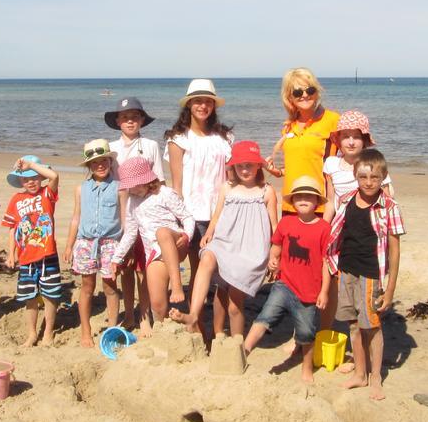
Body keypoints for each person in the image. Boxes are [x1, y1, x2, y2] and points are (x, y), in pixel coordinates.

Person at [171, 141, 277, 338]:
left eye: (249, 165)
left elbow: (275, 226)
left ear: (258, 166)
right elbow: (217, 215)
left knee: (235, 304)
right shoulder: (227, 188)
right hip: (225, 241)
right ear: (233, 167)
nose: (244, 170)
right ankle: (194, 315)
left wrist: (275, 252)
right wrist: (210, 232)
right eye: (240, 165)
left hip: (250, 249)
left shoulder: (266, 190)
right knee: (207, 258)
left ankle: (237, 343)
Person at [325, 149, 404, 400]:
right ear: (355, 176)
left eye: (374, 178)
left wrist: (390, 289)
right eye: (363, 177)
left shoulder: (389, 206)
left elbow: (394, 249)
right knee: (352, 323)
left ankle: (375, 376)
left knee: (371, 325)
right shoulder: (347, 199)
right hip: (347, 269)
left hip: (372, 272)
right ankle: (360, 373)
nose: (369, 183)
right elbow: (337, 234)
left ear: (384, 177)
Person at [243, 177, 330, 383]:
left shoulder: (324, 228)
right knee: (265, 317)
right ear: (293, 201)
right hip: (284, 285)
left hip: (310, 292)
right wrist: (273, 261)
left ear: (317, 202)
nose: (303, 199)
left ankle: (306, 368)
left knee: (307, 332)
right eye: (299, 196)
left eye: (308, 196)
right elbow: (277, 246)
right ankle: (243, 352)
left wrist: (324, 291)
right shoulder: (286, 222)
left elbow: (327, 262)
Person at [165, 79, 233, 286]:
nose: (203, 106)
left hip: (220, 211)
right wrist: (180, 216)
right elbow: (177, 183)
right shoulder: (178, 138)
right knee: (197, 265)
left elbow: (231, 178)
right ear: (189, 104)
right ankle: (197, 309)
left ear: (213, 106)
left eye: (208, 102)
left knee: (220, 263)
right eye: (198, 101)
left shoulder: (225, 137)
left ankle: (210, 300)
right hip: (192, 212)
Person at [111, 157, 194, 323]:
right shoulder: (131, 202)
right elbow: (130, 233)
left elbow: (187, 217)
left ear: (146, 180)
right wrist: (116, 258)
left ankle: (177, 287)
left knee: (162, 233)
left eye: (132, 185)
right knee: (157, 302)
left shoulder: (165, 193)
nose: (130, 190)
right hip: (155, 254)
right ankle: (163, 326)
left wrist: (187, 236)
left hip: (175, 241)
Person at [106, 96, 163, 335]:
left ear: (141, 120)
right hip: (120, 212)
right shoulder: (111, 148)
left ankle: (144, 315)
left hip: (146, 212)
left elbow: (159, 180)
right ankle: (128, 314)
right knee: (125, 266)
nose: (130, 122)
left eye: (135, 117)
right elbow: (106, 180)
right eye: (125, 117)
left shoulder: (150, 145)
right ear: (118, 121)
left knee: (143, 266)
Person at [64, 140, 122, 348]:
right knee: (87, 286)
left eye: (104, 160)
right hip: (85, 243)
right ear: (88, 166)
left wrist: (126, 248)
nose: (100, 165)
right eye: (95, 162)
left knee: (110, 286)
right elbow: (75, 217)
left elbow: (124, 219)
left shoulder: (119, 188)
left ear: (110, 162)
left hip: (110, 243)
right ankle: (86, 331)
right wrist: (70, 245)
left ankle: (113, 328)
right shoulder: (81, 189)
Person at [2, 155, 61, 347]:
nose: (31, 182)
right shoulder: (16, 199)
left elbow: (54, 176)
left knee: (50, 295)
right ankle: (32, 333)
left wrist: (32, 166)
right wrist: (11, 254)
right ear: (20, 181)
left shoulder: (47, 194)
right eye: (26, 178)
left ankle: (49, 332)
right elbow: (12, 229)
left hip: (47, 254)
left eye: (35, 177)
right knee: (29, 297)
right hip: (26, 257)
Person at [265, 68, 339, 215]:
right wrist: (278, 172)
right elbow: (299, 164)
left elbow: (349, 160)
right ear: (289, 97)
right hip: (290, 204)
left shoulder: (333, 120)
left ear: (317, 92)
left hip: (320, 205)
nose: (304, 95)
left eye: (310, 90)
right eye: (298, 92)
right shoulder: (288, 127)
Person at [324, 110, 394, 223]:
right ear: (339, 140)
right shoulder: (331, 164)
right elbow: (330, 202)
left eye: (356, 137)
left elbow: (387, 199)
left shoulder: (374, 163)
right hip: (343, 223)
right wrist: (325, 228)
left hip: (371, 222)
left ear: (364, 140)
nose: (351, 142)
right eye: (346, 137)